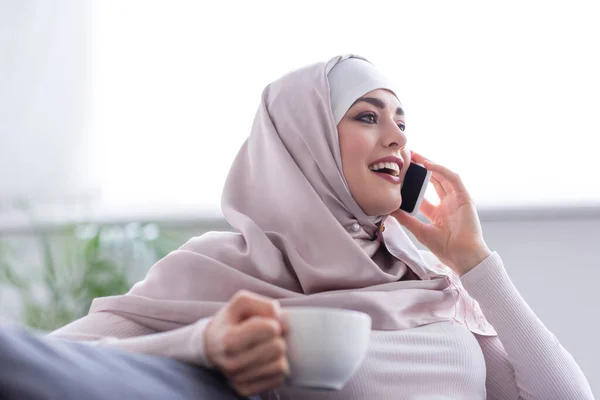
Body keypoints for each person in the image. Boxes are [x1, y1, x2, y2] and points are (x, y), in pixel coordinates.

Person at [4, 55, 594, 399]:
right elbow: (53, 361)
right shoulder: (213, 270)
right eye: (367, 116)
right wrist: (203, 346)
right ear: (299, 144)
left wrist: (475, 263)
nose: (397, 137)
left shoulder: (429, 281)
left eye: (402, 121)